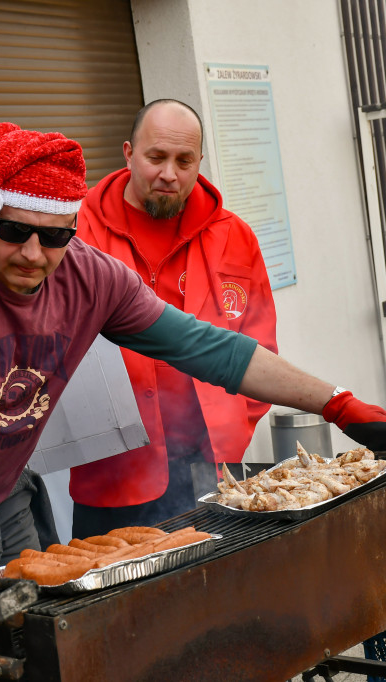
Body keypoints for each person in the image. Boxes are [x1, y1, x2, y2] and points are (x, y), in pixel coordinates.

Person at [0, 121, 386, 642]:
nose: (33, 255)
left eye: (55, 237)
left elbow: (209, 349)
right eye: (15, 231)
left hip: (1, 495)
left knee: (23, 648)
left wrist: (336, 402)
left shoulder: (94, 278)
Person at [68, 100, 278, 537]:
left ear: (199, 161)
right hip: (113, 476)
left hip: (213, 468)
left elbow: (260, 346)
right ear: (128, 153)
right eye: (156, 157)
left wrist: (231, 427)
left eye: (184, 161)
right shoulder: (74, 231)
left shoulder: (234, 236)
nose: (170, 174)